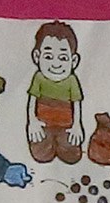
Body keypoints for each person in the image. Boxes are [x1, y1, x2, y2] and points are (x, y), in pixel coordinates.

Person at [24, 21, 86, 165]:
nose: (55, 64)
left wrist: (77, 126)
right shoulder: (39, 78)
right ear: (37, 57)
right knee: (41, 154)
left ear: (74, 61)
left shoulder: (71, 80)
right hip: (44, 124)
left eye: (63, 58)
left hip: (66, 126)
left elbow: (76, 104)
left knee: (72, 155)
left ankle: (60, 144)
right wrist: (32, 122)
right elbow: (32, 101)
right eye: (48, 57)